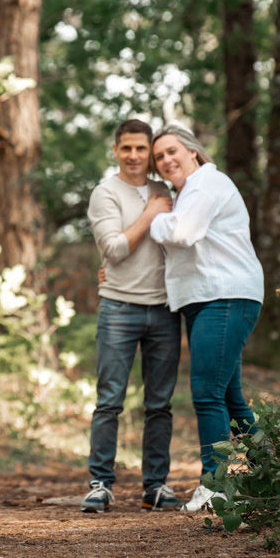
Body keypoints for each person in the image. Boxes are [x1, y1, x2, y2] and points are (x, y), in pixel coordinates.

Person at [149, 123, 264, 514]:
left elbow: (183, 233)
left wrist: (154, 219)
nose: (165, 161)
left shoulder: (206, 184)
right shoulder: (188, 193)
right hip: (207, 300)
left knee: (207, 394)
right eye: (159, 157)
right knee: (229, 396)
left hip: (225, 296)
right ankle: (277, 472)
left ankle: (215, 486)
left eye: (171, 151)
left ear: (193, 151)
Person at [83, 119, 183, 513]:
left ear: (150, 151)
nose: (135, 156)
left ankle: (156, 485)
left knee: (160, 404)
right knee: (110, 401)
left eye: (142, 149)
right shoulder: (105, 193)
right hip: (119, 308)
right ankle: (100, 484)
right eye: (127, 148)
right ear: (116, 151)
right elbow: (114, 249)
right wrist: (151, 211)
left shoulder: (167, 189)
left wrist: (160, 203)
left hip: (164, 310)